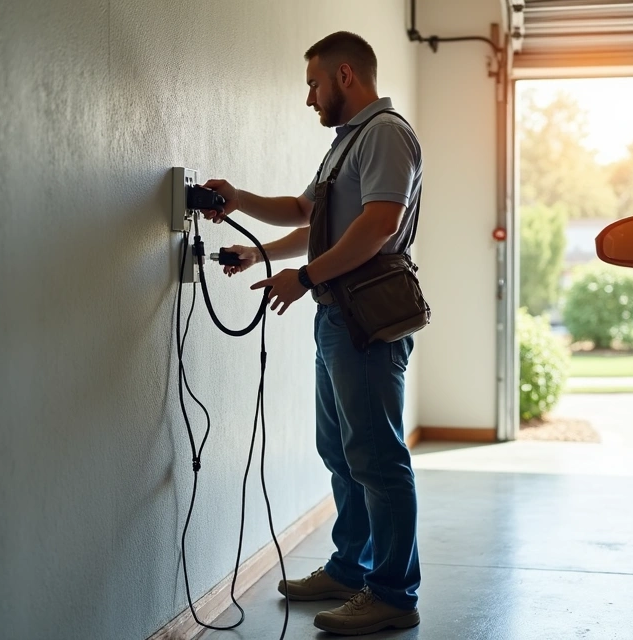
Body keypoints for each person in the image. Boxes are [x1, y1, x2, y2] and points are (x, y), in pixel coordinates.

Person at [199, 31, 423, 637]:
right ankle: (352, 568)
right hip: (336, 316)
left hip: (366, 321)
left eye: (312, 84)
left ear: (344, 75)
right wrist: (248, 226)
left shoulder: (385, 134)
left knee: (377, 458)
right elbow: (309, 217)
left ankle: (394, 595)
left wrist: (304, 275)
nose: (308, 98)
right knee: (341, 452)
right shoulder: (347, 142)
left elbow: (378, 224)